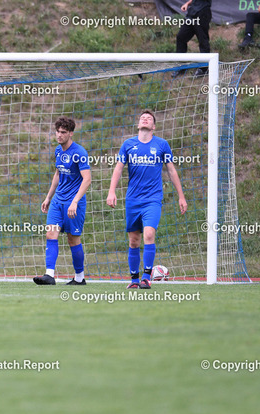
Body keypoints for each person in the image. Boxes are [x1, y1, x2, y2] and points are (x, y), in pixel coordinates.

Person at [106, 110, 187, 289]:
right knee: (134, 240)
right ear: (138, 124)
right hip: (133, 200)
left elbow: (171, 170)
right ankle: (134, 280)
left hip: (153, 199)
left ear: (153, 126)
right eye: (142, 117)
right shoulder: (128, 144)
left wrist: (181, 196)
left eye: (149, 118)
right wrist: (112, 191)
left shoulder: (162, 145)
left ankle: (146, 277)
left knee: (149, 234)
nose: (145, 119)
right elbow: (118, 168)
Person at [33, 117, 91, 286]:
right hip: (58, 201)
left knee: (73, 239)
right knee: (50, 233)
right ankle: (49, 275)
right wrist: (48, 197)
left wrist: (75, 202)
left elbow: (87, 179)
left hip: (74, 203)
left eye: (63, 132)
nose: (59, 135)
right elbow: (58, 174)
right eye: (57, 131)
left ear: (71, 133)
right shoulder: (58, 150)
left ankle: (79, 278)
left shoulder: (79, 153)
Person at [172, 0, 211, 77]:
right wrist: (187, 3)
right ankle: (181, 66)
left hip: (203, 13)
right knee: (181, 37)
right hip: (192, 13)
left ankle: (203, 69)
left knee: (203, 41)